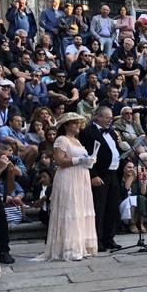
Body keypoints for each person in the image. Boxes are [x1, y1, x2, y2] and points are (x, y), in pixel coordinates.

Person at [39, 112, 98, 261]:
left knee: (81, 209)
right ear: (66, 126)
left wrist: (89, 161)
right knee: (71, 209)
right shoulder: (62, 139)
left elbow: (80, 159)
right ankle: (69, 248)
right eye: (74, 123)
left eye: (78, 123)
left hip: (81, 177)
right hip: (68, 177)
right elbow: (59, 160)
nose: (78, 126)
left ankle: (81, 246)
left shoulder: (77, 141)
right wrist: (79, 160)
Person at [80, 105, 123, 251]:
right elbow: (86, 155)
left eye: (111, 117)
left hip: (113, 174)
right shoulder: (88, 132)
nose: (110, 120)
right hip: (100, 174)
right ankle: (97, 239)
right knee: (99, 208)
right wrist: (94, 175)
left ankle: (109, 237)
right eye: (107, 117)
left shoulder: (111, 132)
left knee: (112, 207)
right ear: (98, 116)